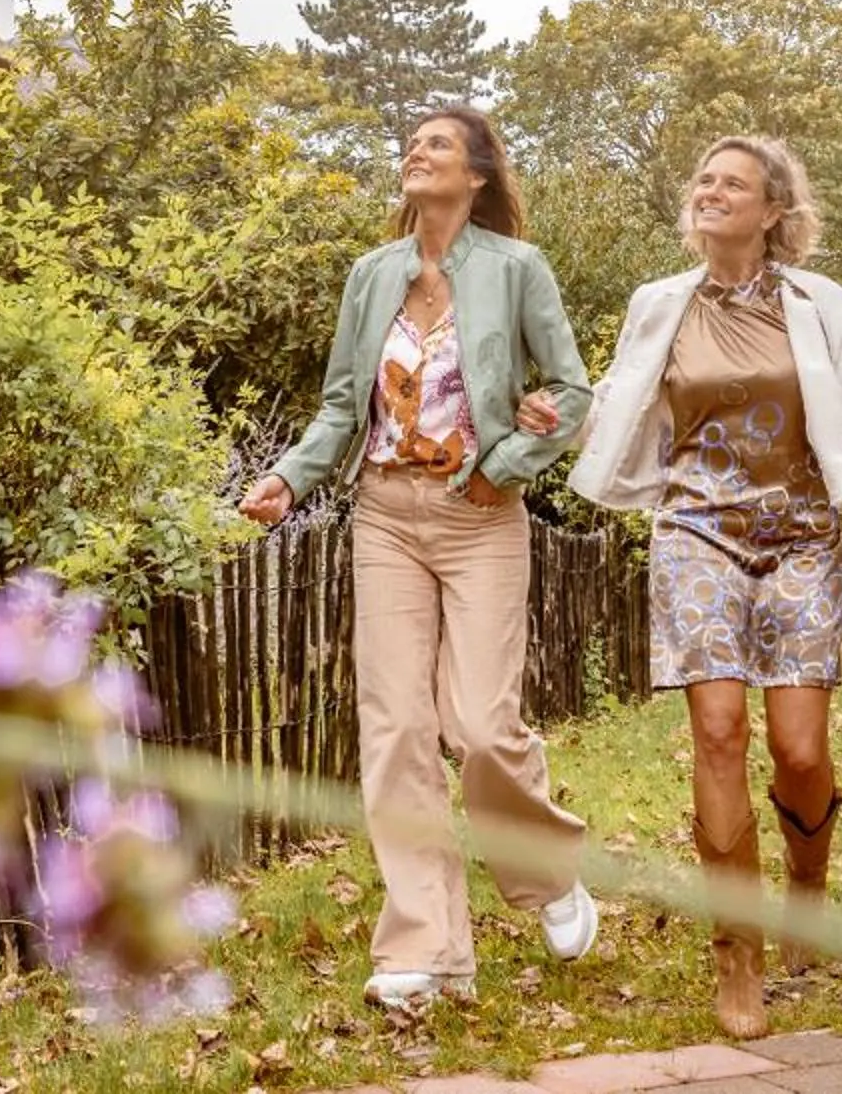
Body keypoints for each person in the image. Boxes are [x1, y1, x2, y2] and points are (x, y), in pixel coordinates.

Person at [238, 106, 600, 1010]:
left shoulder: (517, 270)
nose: (416, 152)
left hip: (481, 516)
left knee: (481, 726)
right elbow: (337, 406)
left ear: (476, 173)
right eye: (412, 143)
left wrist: (507, 463)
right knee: (395, 727)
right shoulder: (372, 277)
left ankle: (547, 872)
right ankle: (426, 949)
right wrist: (289, 477)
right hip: (385, 515)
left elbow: (571, 389)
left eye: (437, 144)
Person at [562, 135, 842, 1041]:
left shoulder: (823, 306)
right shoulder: (659, 304)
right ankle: (736, 956)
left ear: (773, 211)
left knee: (797, 748)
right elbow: (618, 400)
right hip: (695, 529)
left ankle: (808, 884)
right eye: (703, 180)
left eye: (732, 184)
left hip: (804, 535)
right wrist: (555, 416)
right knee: (716, 730)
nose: (710, 192)